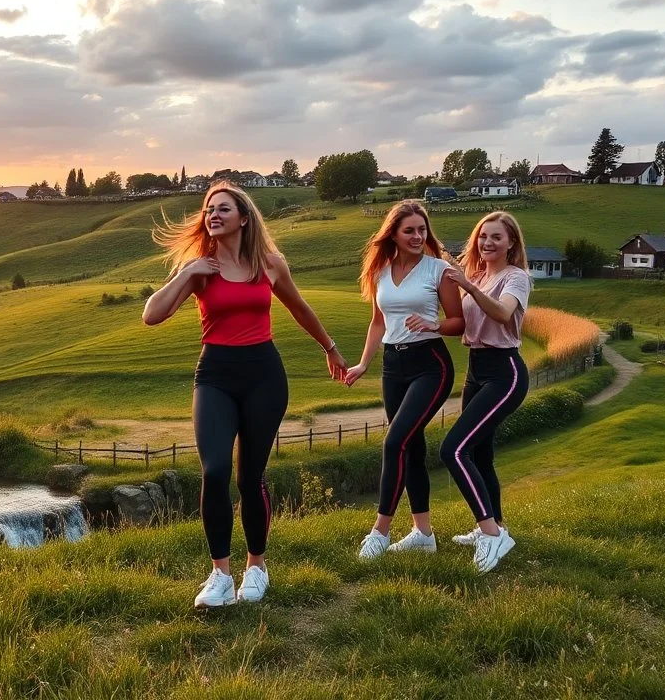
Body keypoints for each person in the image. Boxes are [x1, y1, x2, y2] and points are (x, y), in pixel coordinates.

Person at [142, 181, 348, 608]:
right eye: (207, 210)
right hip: (215, 376)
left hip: (264, 377)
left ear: (243, 217)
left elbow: (299, 308)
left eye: (222, 209)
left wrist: (329, 347)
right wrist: (187, 273)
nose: (212, 215)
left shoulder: (270, 264)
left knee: (249, 478)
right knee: (214, 471)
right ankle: (219, 575)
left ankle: (257, 567)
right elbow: (152, 315)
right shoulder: (202, 269)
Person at [344, 201, 464, 559]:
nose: (417, 236)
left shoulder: (438, 270)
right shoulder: (380, 271)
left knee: (394, 441)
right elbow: (379, 321)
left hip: (431, 365)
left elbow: (458, 322)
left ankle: (379, 532)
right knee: (411, 447)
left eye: (422, 230)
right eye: (409, 230)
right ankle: (423, 534)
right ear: (393, 233)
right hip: (392, 367)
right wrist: (364, 362)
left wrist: (434, 324)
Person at [441, 211, 532, 573]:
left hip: (504, 372)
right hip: (476, 369)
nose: (487, 243)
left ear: (511, 242)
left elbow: (500, 313)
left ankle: (492, 535)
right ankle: (496, 526)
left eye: (496, 237)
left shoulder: (517, 277)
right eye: (482, 236)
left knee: (454, 450)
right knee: (479, 455)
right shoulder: (477, 274)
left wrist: (468, 286)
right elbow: (464, 318)